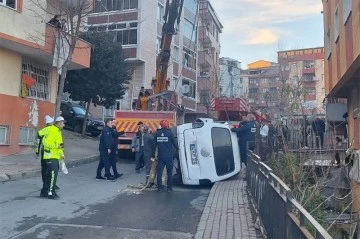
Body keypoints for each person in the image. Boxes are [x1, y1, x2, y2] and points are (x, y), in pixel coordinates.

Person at [41, 116, 65, 199]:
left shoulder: (58, 131)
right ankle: (51, 193)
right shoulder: (51, 130)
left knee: (50, 175)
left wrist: (62, 154)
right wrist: (56, 146)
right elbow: (45, 142)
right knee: (53, 175)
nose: (64, 125)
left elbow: (60, 144)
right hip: (49, 156)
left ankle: (44, 192)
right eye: (63, 123)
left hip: (55, 156)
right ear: (58, 123)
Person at [152, 120, 179, 192]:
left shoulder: (156, 134)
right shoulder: (170, 133)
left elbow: (153, 146)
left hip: (161, 157)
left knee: (159, 173)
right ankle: (169, 188)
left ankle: (159, 188)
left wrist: (152, 155)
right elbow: (175, 143)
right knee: (169, 173)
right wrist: (178, 149)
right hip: (169, 157)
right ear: (167, 125)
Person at [37, 115, 60, 195]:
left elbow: (38, 138)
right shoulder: (52, 129)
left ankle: (47, 187)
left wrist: (37, 151)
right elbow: (45, 142)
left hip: (45, 152)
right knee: (50, 171)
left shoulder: (44, 129)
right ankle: (49, 188)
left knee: (46, 170)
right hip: (49, 154)